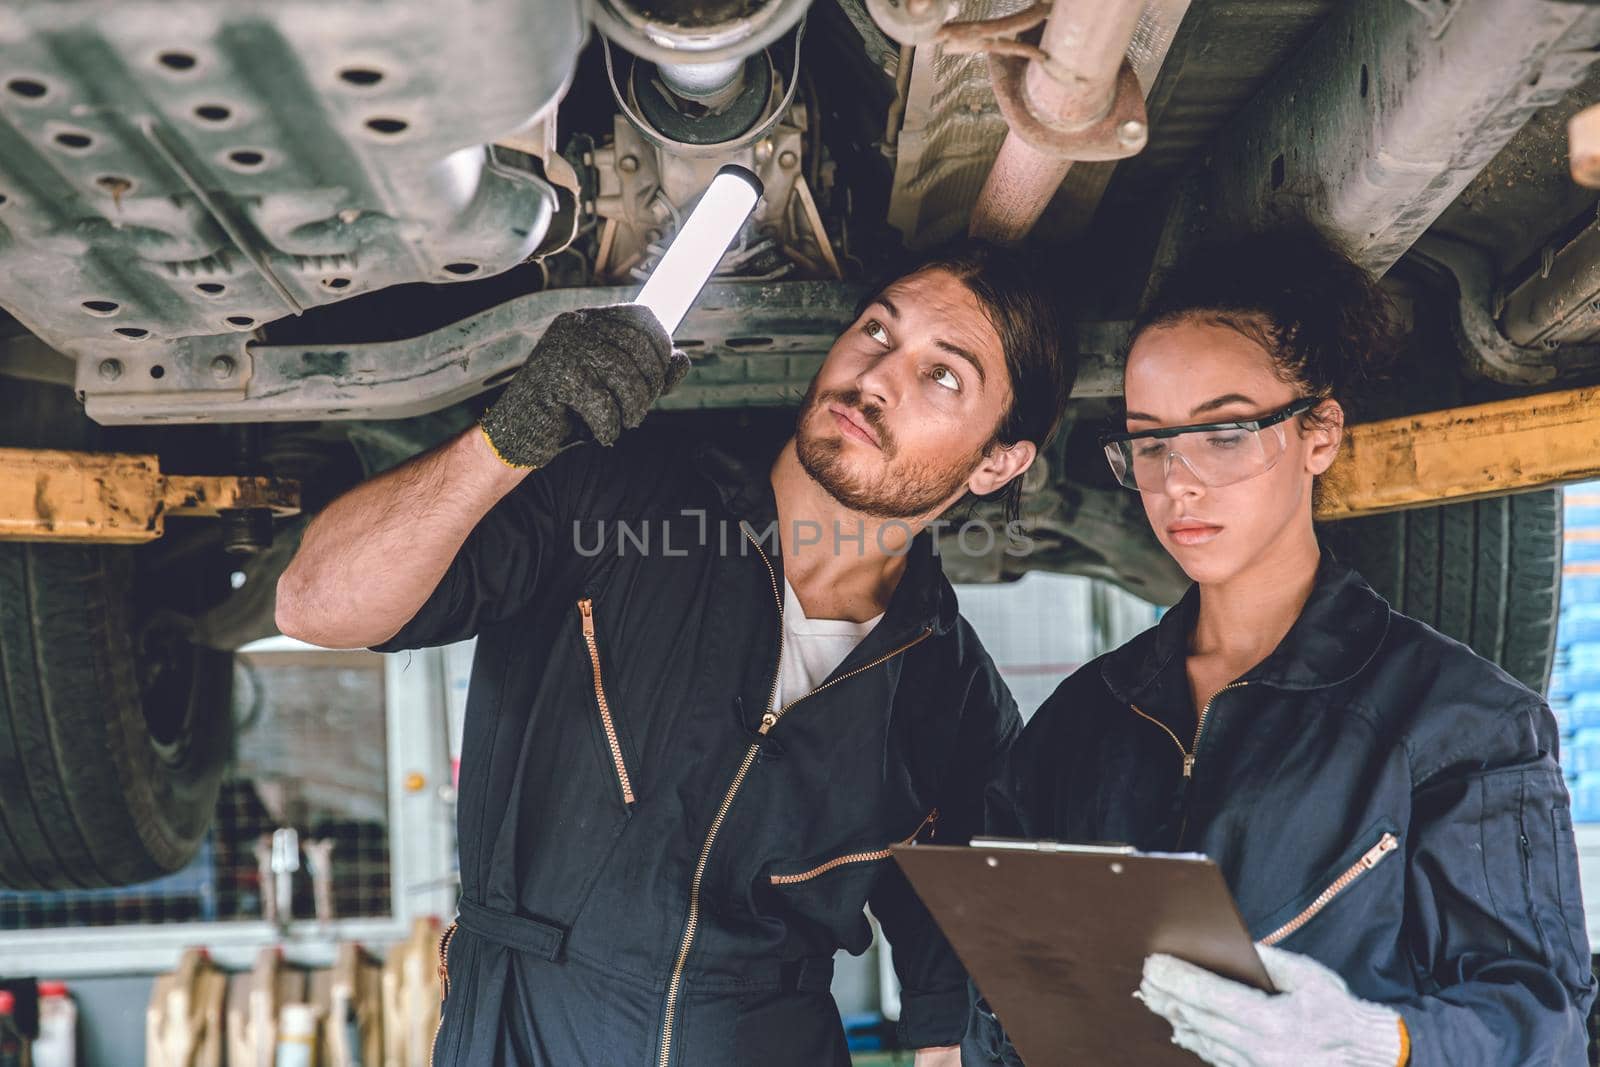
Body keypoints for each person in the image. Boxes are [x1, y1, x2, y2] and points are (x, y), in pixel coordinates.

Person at [274, 239, 1075, 1066]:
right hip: (523, 1027)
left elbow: (952, 998)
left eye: (944, 375)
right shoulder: (615, 500)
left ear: (998, 461)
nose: (876, 378)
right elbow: (312, 603)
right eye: (878, 331)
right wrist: (503, 442)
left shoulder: (951, 695)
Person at [970, 227, 1597, 1067]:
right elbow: (1005, 1000)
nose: (1178, 480)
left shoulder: (1460, 723)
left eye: (1223, 434)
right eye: (1150, 441)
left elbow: (1541, 1020)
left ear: (1320, 434)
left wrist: (1379, 1043)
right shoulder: (1078, 724)